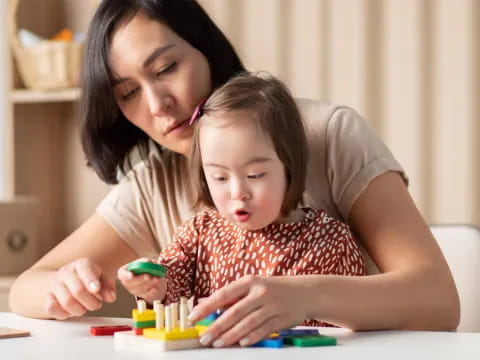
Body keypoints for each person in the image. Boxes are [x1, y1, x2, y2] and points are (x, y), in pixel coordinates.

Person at [9, 0, 459, 344]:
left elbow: (438, 302)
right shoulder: (153, 181)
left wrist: (307, 296)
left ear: (206, 50)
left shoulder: (327, 135)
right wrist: (65, 285)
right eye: (127, 93)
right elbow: (25, 288)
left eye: (166, 68)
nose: (156, 104)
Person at [117, 73, 367, 346]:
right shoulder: (199, 233)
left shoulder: (329, 240)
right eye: (220, 178)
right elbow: (171, 277)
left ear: (289, 167)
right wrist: (152, 283)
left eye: (256, 174)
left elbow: (359, 319)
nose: (238, 193)